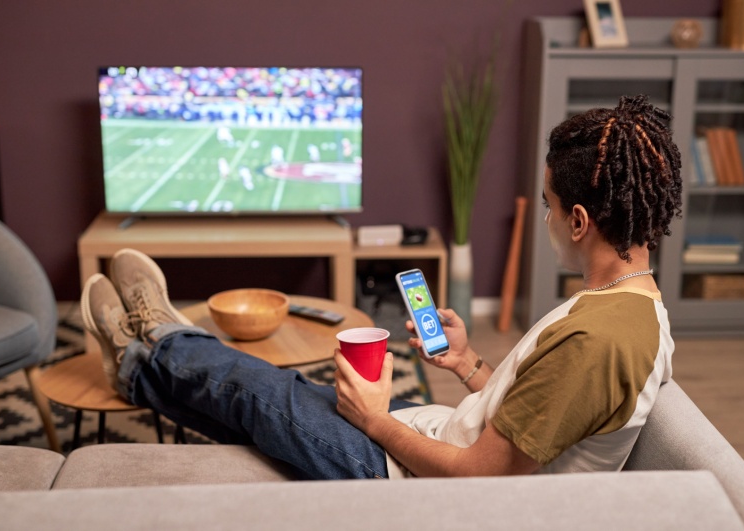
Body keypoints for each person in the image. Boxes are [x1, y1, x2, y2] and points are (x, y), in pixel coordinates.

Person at [81, 94, 682, 480]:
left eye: (550, 206)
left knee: (257, 391)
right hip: (433, 438)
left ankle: (151, 338)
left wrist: (374, 422)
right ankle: (140, 358)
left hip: (410, 479)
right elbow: (541, 412)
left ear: (579, 221)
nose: (549, 219)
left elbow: (480, 478)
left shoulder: (596, 341)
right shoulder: (628, 309)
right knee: (256, 409)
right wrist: (470, 363)